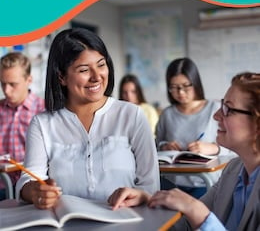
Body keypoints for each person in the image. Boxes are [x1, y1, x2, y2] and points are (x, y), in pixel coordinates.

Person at [15, 28, 160, 209]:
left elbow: (151, 186)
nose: (96, 76)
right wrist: (35, 191)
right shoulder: (42, 124)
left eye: (101, 65)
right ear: (61, 77)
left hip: (125, 221)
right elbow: (28, 180)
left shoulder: (132, 115)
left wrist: (141, 194)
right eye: (84, 69)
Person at [108, 72, 260, 231]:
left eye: (228, 109)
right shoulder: (234, 170)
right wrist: (150, 201)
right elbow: (186, 224)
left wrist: (198, 213)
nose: (216, 115)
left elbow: (198, 215)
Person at [156, 57, 229, 197]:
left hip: (207, 184)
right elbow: (156, 145)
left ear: (195, 82)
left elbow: (236, 148)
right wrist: (164, 146)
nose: (181, 92)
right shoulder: (167, 113)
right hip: (173, 185)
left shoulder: (216, 109)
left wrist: (214, 148)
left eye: (185, 86)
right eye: (174, 87)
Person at [0, 52, 45, 200]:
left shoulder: (43, 111)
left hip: (31, 189)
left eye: (13, 84)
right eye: (3, 83)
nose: (6, 90)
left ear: (29, 80)